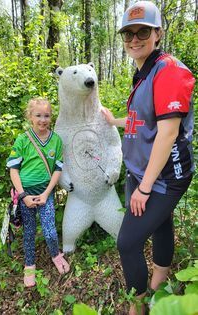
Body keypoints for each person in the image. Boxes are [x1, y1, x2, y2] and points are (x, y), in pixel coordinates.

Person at [102, 1, 195, 314]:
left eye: (142, 31)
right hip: (139, 170)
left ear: (158, 33)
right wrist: (112, 120)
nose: (134, 39)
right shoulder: (144, 72)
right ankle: (158, 283)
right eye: (127, 34)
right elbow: (141, 120)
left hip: (166, 176)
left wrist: (144, 189)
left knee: (127, 243)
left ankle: (139, 305)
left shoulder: (169, 71)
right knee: (161, 225)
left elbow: (168, 134)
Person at [7, 97, 70, 288]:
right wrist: (23, 195)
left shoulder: (56, 141)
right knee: (29, 231)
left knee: (50, 230)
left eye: (47, 115)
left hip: (46, 192)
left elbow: (58, 169)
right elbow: (14, 169)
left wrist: (46, 193)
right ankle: (29, 263)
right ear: (30, 117)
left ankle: (56, 255)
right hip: (25, 194)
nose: (43, 120)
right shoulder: (23, 140)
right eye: (38, 115)